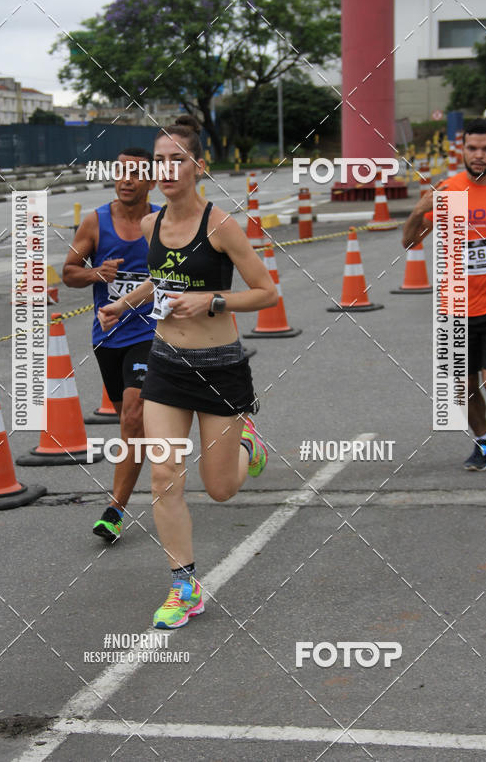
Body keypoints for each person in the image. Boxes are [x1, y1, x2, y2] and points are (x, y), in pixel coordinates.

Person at [99, 115, 278, 628]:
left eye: (178, 158)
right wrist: (124, 305)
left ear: (199, 166)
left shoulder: (220, 225)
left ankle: (248, 444)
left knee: (219, 488)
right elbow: (161, 282)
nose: (167, 168)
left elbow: (266, 292)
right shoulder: (152, 225)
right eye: (161, 159)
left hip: (219, 369)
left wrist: (212, 301)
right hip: (165, 367)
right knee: (163, 474)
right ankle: (184, 585)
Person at [402, 118, 486, 471]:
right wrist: (420, 209)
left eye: (485, 149)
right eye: (472, 149)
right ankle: (484, 442)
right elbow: (409, 242)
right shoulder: (448, 191)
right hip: (455, 306)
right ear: (462, 150)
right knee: (461, 387)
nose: (478, 156)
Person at [62, 148, 161, 541]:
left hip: (152, 334)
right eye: (121, 172)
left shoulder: (161, 223)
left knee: (133, 417)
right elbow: (68, 273)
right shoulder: (96, 222)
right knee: (131, 426)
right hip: (108, 337)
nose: (126, 180)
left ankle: (114, 510)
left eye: (136, 173)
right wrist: (95, 274)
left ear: (150, 182)